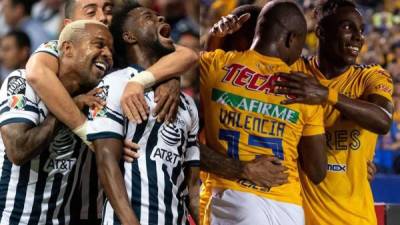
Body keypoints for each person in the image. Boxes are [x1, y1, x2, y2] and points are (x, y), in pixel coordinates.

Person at [207, 0, 393, 224]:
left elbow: (383, 120)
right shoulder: (293, 71)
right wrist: (217, 38)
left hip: (353, 216)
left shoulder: (370, 76)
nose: (358, 37)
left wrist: (326, 95)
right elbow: (231, 77)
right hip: (298, 212)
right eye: (348, 27)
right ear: (321, 32)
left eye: (361, 31)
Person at [200, 1, 327, 224]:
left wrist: (215, 37)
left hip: (233, 197)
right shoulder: (305, 89)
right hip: (287, 206)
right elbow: (317, 171)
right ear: (291, 39)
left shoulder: (215, 66)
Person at [26, 0, 198, 148]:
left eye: (108, 10)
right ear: (68, 25)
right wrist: (91, 135)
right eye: (91, 12)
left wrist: (161, 79)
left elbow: (186, 55)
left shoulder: (118, 51)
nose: (102, 17)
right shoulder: (59, 48)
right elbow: (37, 73)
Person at [86, 3, 200, 225]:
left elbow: (193, 184)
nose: (160, 19)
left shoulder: (187, 103)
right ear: (129, 36)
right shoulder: (113, 84)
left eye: (159, 16)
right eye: (149, 17)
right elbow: (106, 161)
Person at [0, 20, 113, 225]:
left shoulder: (99, 97)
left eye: (111, 49)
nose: (108, 54)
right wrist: (68, 110)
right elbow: (18, 150)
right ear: (68, 49)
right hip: (17, 219)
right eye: (98, 44)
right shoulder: (21, 83)